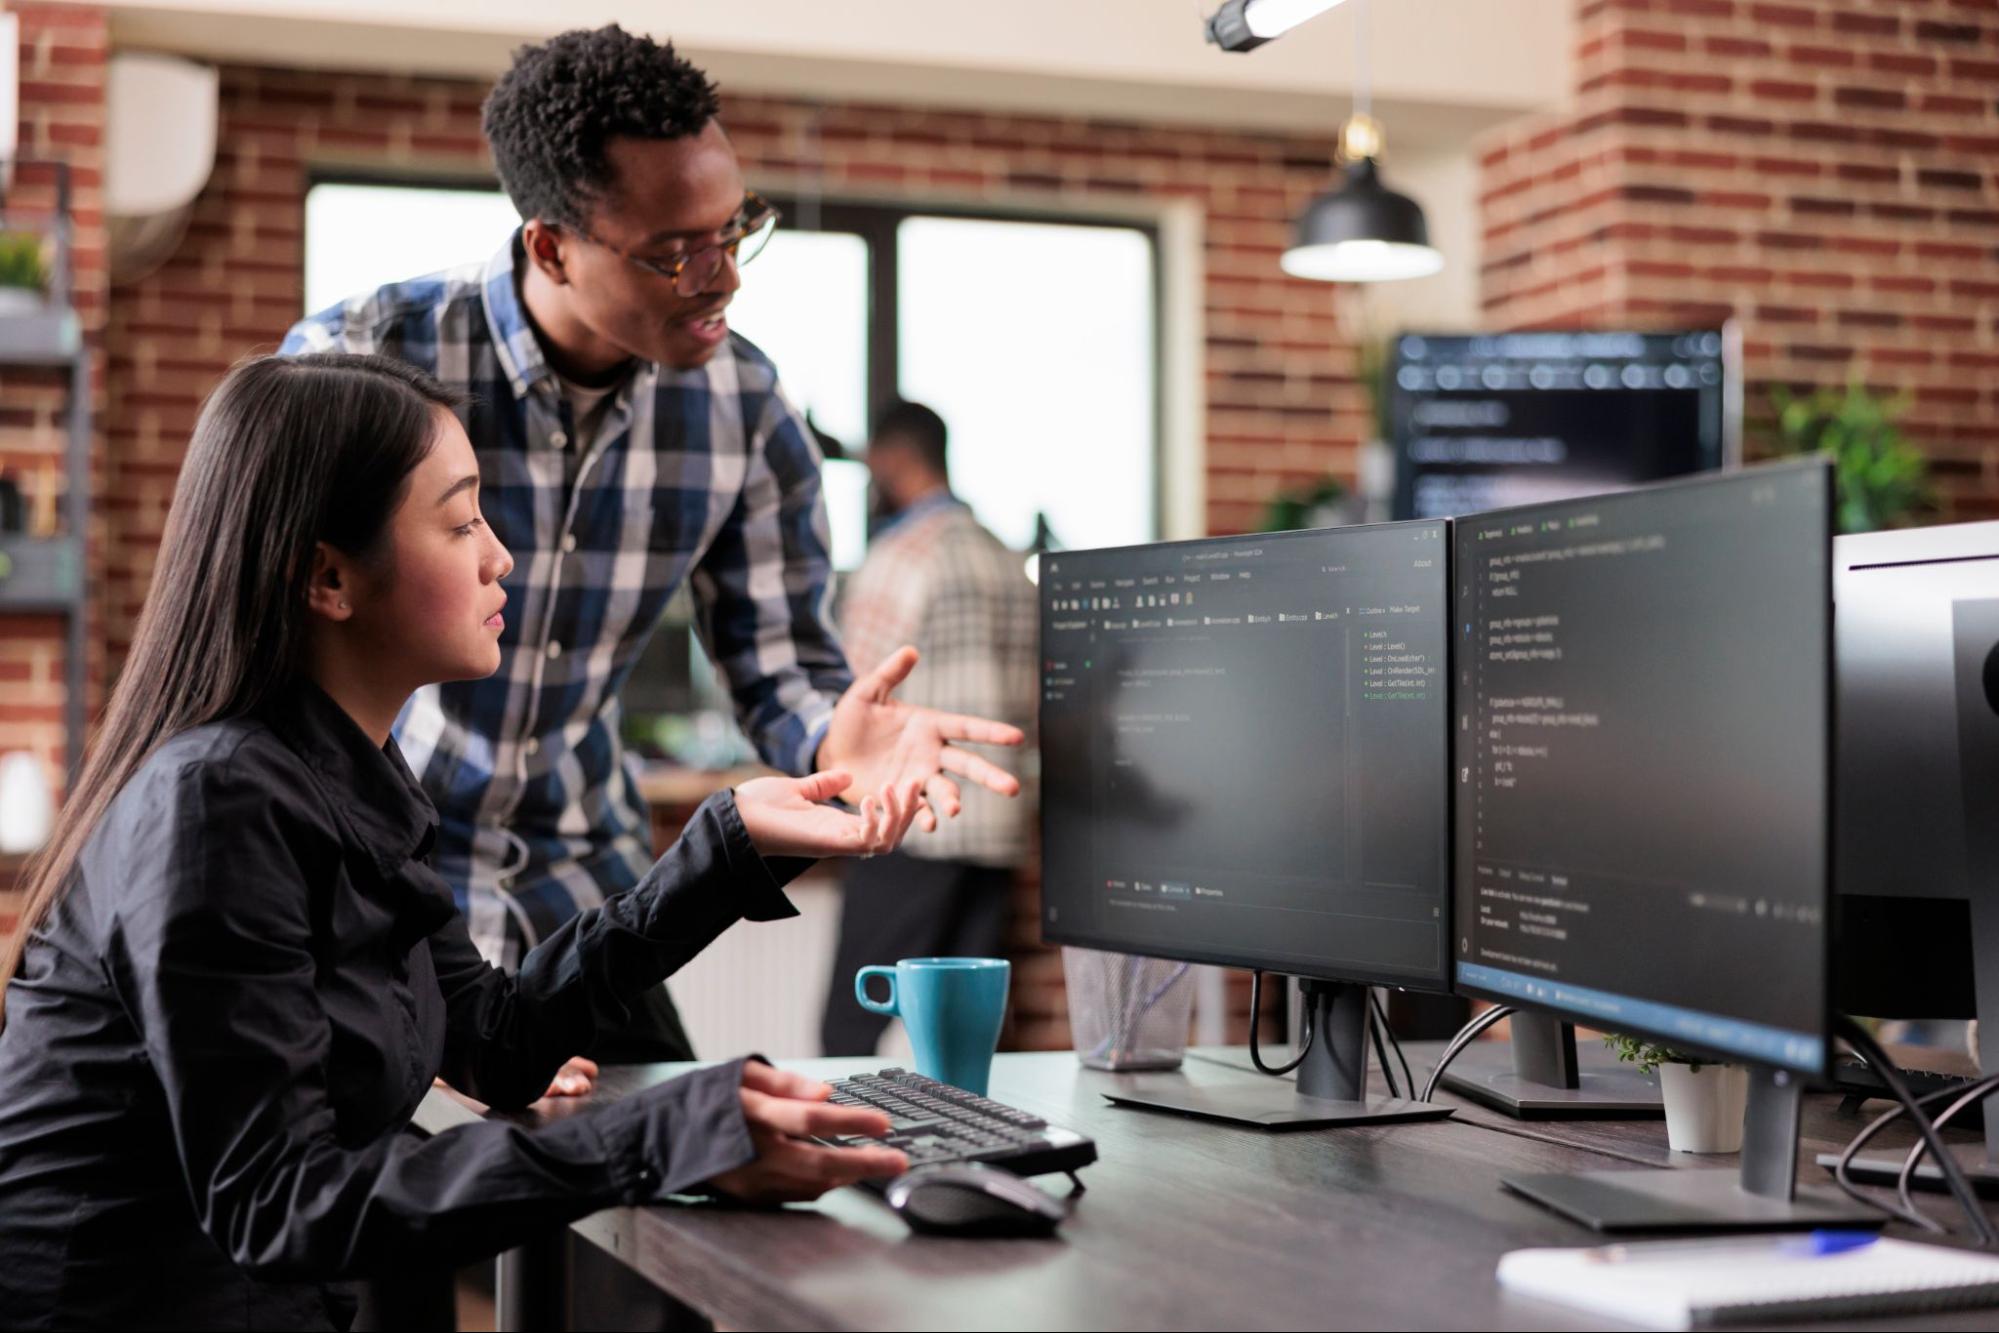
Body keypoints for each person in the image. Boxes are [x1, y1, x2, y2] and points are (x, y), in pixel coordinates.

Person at [0, 353, 920, 1332]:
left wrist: (726, 847)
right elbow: (280, 1202)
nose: (500, 557)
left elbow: (491, 1040)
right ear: (327, 575)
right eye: (459, 520)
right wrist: (659, 1132)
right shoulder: (215, 801)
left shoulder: (350, 774)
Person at [279, 25, 1022, 1069]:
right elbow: (275, 665)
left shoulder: (746, 406)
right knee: (420, 1188)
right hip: (370, 872)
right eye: (676, 250)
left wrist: (831, 742)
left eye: (735, 230)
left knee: (695, 1173)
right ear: (551, 247)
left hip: (579, 876)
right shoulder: (366, 361)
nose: (722, 278)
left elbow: (781, 665)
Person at [821, 403, 1039, 1056]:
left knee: (847, 1027)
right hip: (996, 821)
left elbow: (852, 692)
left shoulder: (900, 555)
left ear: (892, 457)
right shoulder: (1002, 556)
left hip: (913, 822)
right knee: (966, 1036)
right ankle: (973, 1152)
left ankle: (841, 1156)